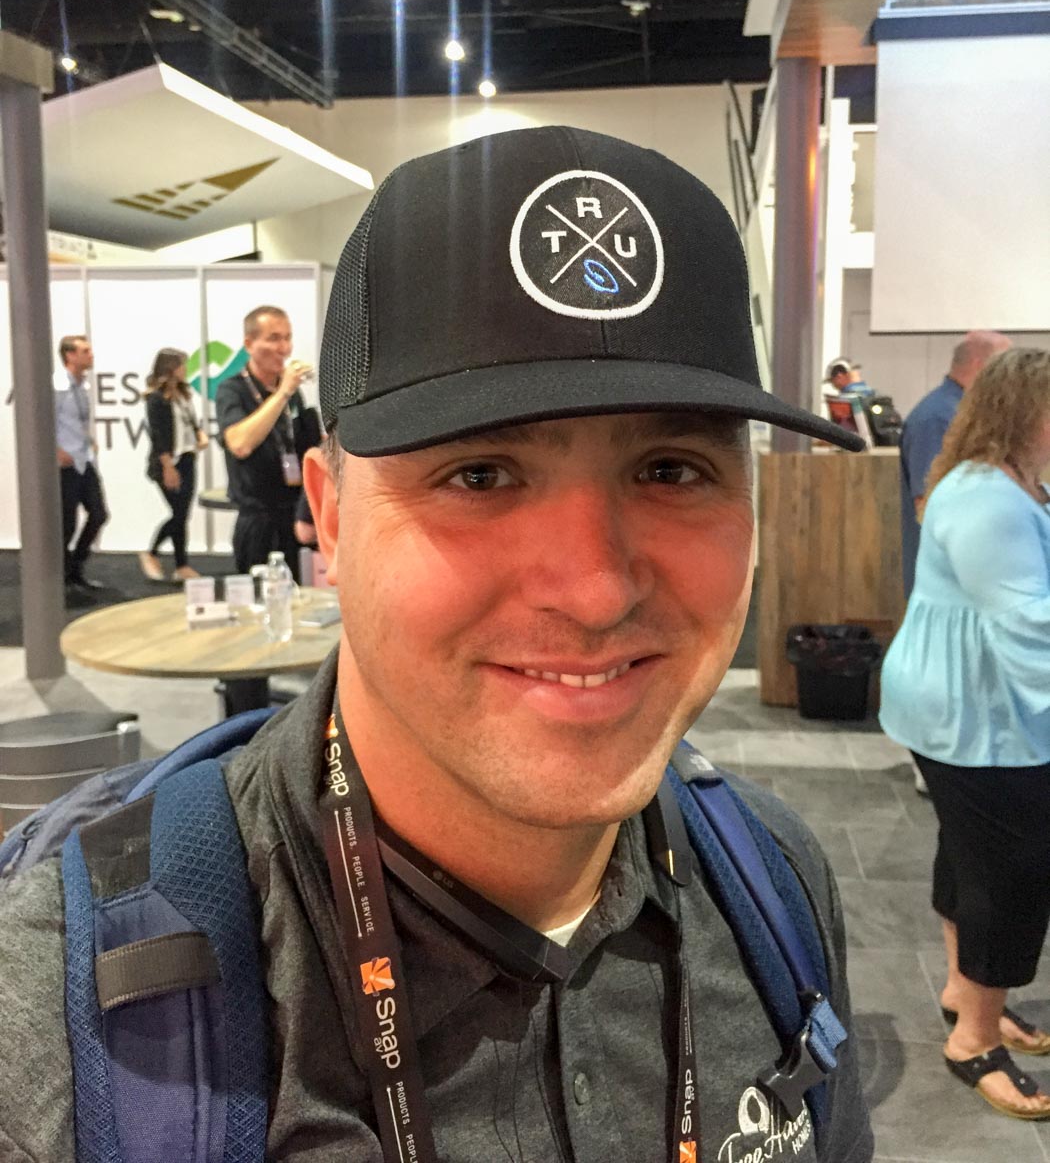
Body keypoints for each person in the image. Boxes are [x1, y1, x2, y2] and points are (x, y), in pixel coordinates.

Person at [0, 128, 873, 1161]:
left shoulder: (773, 883)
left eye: (672, 469)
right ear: (330, 516)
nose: (597, 590)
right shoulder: (64, 1020)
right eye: (480, 475)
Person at [880, 347, 1050, 1122]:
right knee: (1010, 875)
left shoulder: (1003, 480)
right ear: (1023, 413)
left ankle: (964, 991)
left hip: (956, 707)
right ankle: (975, 1040)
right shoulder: (990, 499)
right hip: (978, 717)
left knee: (971, 854)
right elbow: (1030, 630)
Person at [898, 330, 1012, 599]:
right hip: (947, 581)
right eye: (1006, 368)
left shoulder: (966, 413)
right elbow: (928, 503)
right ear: (981, 365)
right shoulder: (937, 418)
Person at [215, 304, 319, 576]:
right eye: (273, 338)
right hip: (257, 518)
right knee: (258, 596)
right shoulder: (232, 389)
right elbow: (240, 444)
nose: (283, 348)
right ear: (249, 344)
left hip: (293, 514)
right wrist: (283, 392)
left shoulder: (292, 394)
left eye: (287, 338)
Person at [139, 347, 209, 582]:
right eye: (181, 365)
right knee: (178, 514)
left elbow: (191, 422)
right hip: (168, 462)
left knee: (182, 514)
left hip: (188, 457)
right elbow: (158, 436)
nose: (185, 369)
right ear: (170, 368)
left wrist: (200, 435)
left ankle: (181, 565)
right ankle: (151, 553)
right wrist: (168, 467)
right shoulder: (156, 398)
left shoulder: (183, 394)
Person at [54, 333, 109, 595]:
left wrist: (89, 441)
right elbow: (41, 421)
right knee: (66, 523)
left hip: (84, 459)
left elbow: (77, 421)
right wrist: (55, 451)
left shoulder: (82, 386)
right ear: (70, 355)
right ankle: (63, 577)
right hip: (65, 464)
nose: (91, 355)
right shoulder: (57, 386)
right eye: (85, 351)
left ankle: (75, 567)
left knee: (99, 514)